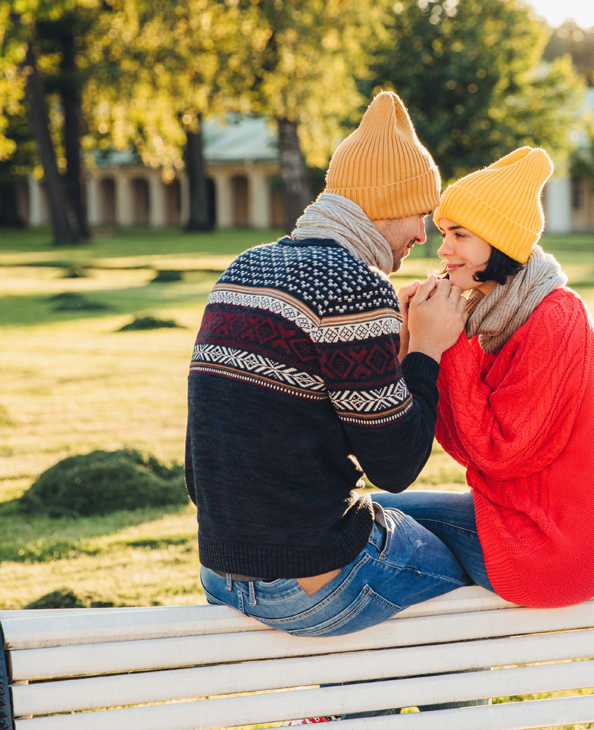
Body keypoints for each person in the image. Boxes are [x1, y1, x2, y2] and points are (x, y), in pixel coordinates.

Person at [186, 91, 474, 638]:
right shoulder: (354, 286)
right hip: (308, 581)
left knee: (391, 607)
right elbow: (395, 469)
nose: (423, 234)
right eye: (420, 213)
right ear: (388, 204)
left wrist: (399, 339)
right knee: (466, 582)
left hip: (221, 573)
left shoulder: (246, 266)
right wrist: (426, 351)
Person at [378, 147, 594, 609]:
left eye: (460, 235)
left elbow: (497, 452)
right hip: (533, 525)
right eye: (443, 233)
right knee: (379, 518)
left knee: (371, 519)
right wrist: (412, 339)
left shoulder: (554, 316)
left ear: (500, 242)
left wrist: (443, 340)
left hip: (553, 550)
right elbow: (461, 440)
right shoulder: (498, 317)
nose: (443, 248)